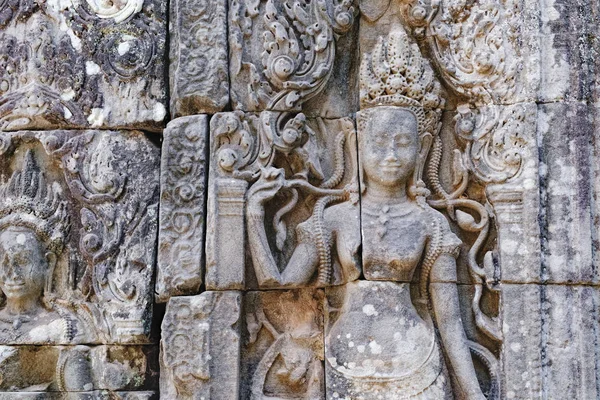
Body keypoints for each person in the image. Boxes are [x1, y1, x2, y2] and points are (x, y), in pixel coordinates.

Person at [246, 29, 486, 399]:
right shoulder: (336, 218)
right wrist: (252, 215)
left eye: (403, 143)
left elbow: (451, 322)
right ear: (357, 146)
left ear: (422, 150)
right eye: (379, 143)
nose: (391, 155)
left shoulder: (431, 225)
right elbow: (280, 283)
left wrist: (472, 392)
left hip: (417, 359)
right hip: (347, 360)